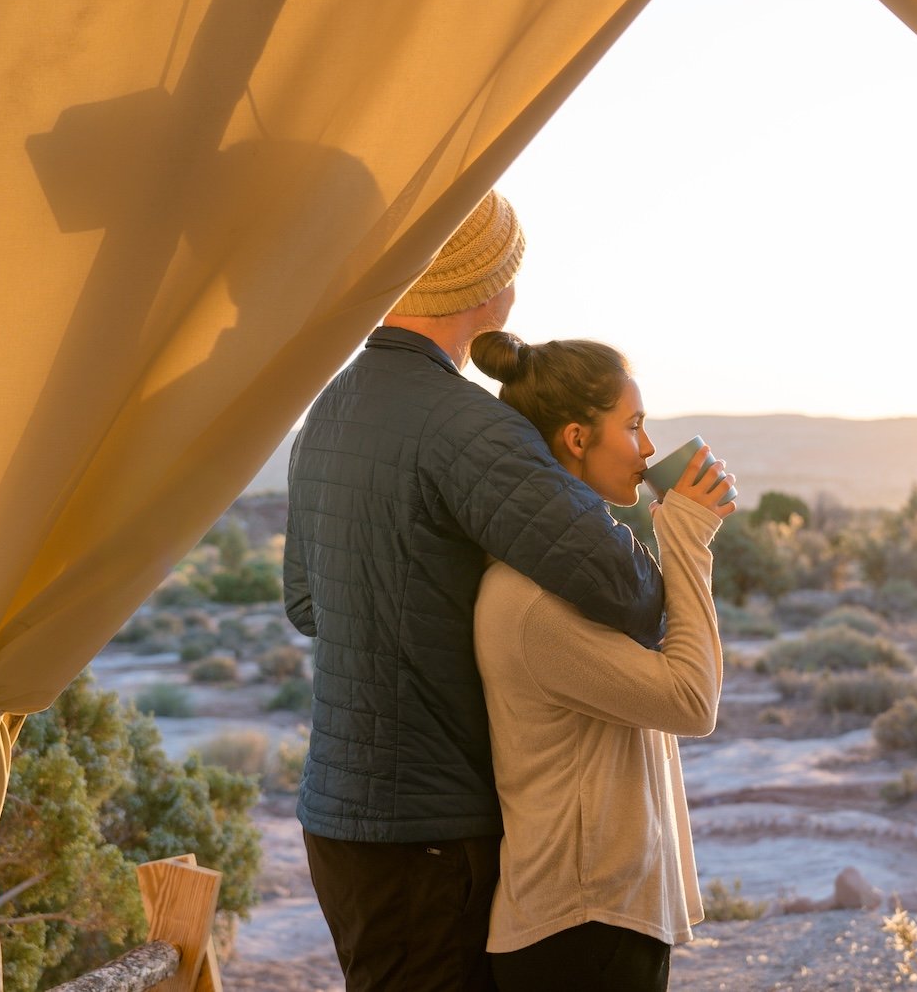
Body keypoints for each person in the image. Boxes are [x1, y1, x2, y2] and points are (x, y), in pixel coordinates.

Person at [283, 190, 666, 992]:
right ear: (495, 290)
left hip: (335, 821)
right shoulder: (469, 426)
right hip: (427, 833)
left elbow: (307, 605)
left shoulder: (329, 407)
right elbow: (626, 586)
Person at [468, 331, 736, 991]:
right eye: (635, 425)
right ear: (577, 438)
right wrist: (685, 540)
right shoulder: (531, 600)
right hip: (576, 933)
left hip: (599, 922)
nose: (647, 449)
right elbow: (692, 700)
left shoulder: (578, 579)